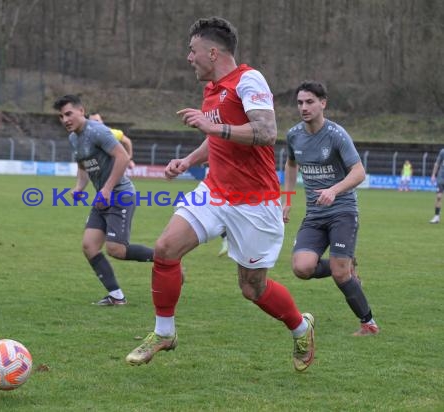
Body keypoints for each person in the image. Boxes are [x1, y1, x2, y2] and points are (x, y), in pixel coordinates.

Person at [125, 17, 315, 372]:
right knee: (165, 249)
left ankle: (301, 327)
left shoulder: (249, 79)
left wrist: (212, 125)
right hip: (214, 192)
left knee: (252, 288)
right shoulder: (212, 89)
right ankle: (163, 332)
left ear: (212, 52)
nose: (188, 58)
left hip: (254, 203)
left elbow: (266, 131)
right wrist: (189, 159)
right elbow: (217, 140)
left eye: (192, 51)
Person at [283, 80, 379, 336]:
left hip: (342, 211)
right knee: (301, 268)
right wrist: (287, 200)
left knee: (339, 274)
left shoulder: (336, 135)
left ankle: (368, 324)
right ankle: (348, 264)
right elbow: (291, 165)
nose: (304, 107)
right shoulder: (294, 135)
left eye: (310, 102)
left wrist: (334, 190)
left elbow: (359, 172)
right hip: (315, 214)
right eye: (300, 102)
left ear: (323, 103)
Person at [53, 95, 154, 306]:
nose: (65, 119)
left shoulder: (97, 131)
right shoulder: (74, 138)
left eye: (68, 114)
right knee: (89, 246)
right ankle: (116, 296)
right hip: (103, 197)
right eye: (61, 116)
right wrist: (79, 188)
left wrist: (107, 189)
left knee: (116, 249)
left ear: (82, 110)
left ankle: (165, 259)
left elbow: (123, 157)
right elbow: (83, 166)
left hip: (120, 194)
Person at [429, 148, 444, 223]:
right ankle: (436, 217)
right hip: (441, 178)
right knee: (439, 197)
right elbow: (437, 163)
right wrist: (433, 175)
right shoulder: (442, 151)